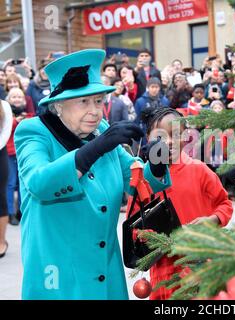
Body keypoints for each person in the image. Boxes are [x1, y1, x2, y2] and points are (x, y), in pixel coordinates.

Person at [14, 49, 171, 299]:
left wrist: (157, 161)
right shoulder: (33, 131)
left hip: (105, 272)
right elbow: (39, 182)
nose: (95, 111)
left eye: (98, 101)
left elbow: (136, 182)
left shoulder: (100, 130)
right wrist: (94, 149)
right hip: (58, 276)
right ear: (58, 105)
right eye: (83, 102)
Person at [131, 107, 233, 300]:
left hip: (202, 265)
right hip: (164, 271)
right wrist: (148, 237)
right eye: (160, 136)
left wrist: (212, 219)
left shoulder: (199, 170)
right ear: (148, 137)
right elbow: (133, 223)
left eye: (175, 135)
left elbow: (224, 204)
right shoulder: (143, 178)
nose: (169, 142)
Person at [6, 88, 34, 225]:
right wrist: (16, 121)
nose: (16, 99)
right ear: (9, 99)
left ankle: (22, 211)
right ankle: (10, 212)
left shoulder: (28, 114)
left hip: (24, 154)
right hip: (10, 154)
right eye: (13, 97)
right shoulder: (6, 114)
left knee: (23, 183)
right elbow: (5, 128)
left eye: (19, 96)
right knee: (10, 184)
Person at [0, 99, 13, 258]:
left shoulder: (4, 105)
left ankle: (1, 241)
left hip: (0, 154)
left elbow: (5, 134)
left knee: (0, 198)